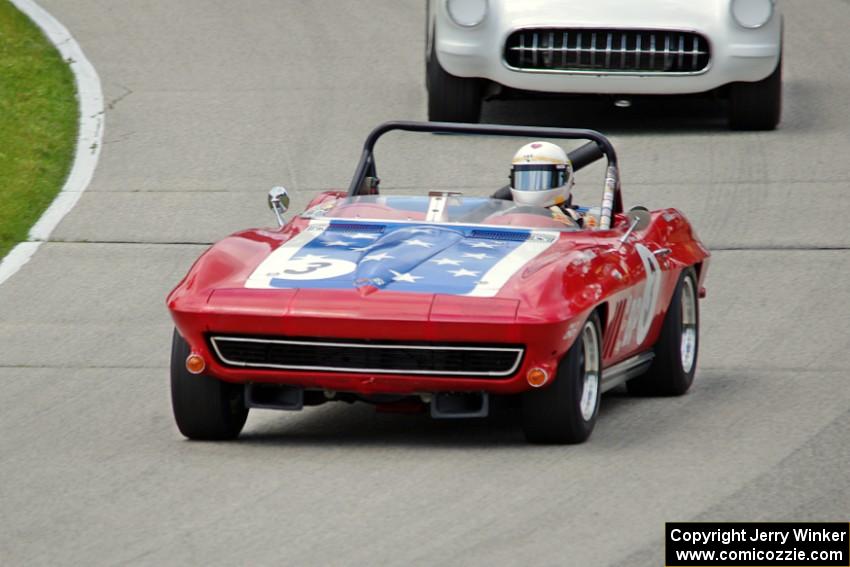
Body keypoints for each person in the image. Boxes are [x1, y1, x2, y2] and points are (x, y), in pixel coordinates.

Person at [509, 141, 592, 227]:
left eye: (542, 179)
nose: (533, 187)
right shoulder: (505, 214)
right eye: (525, 180)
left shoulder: (573, 217)